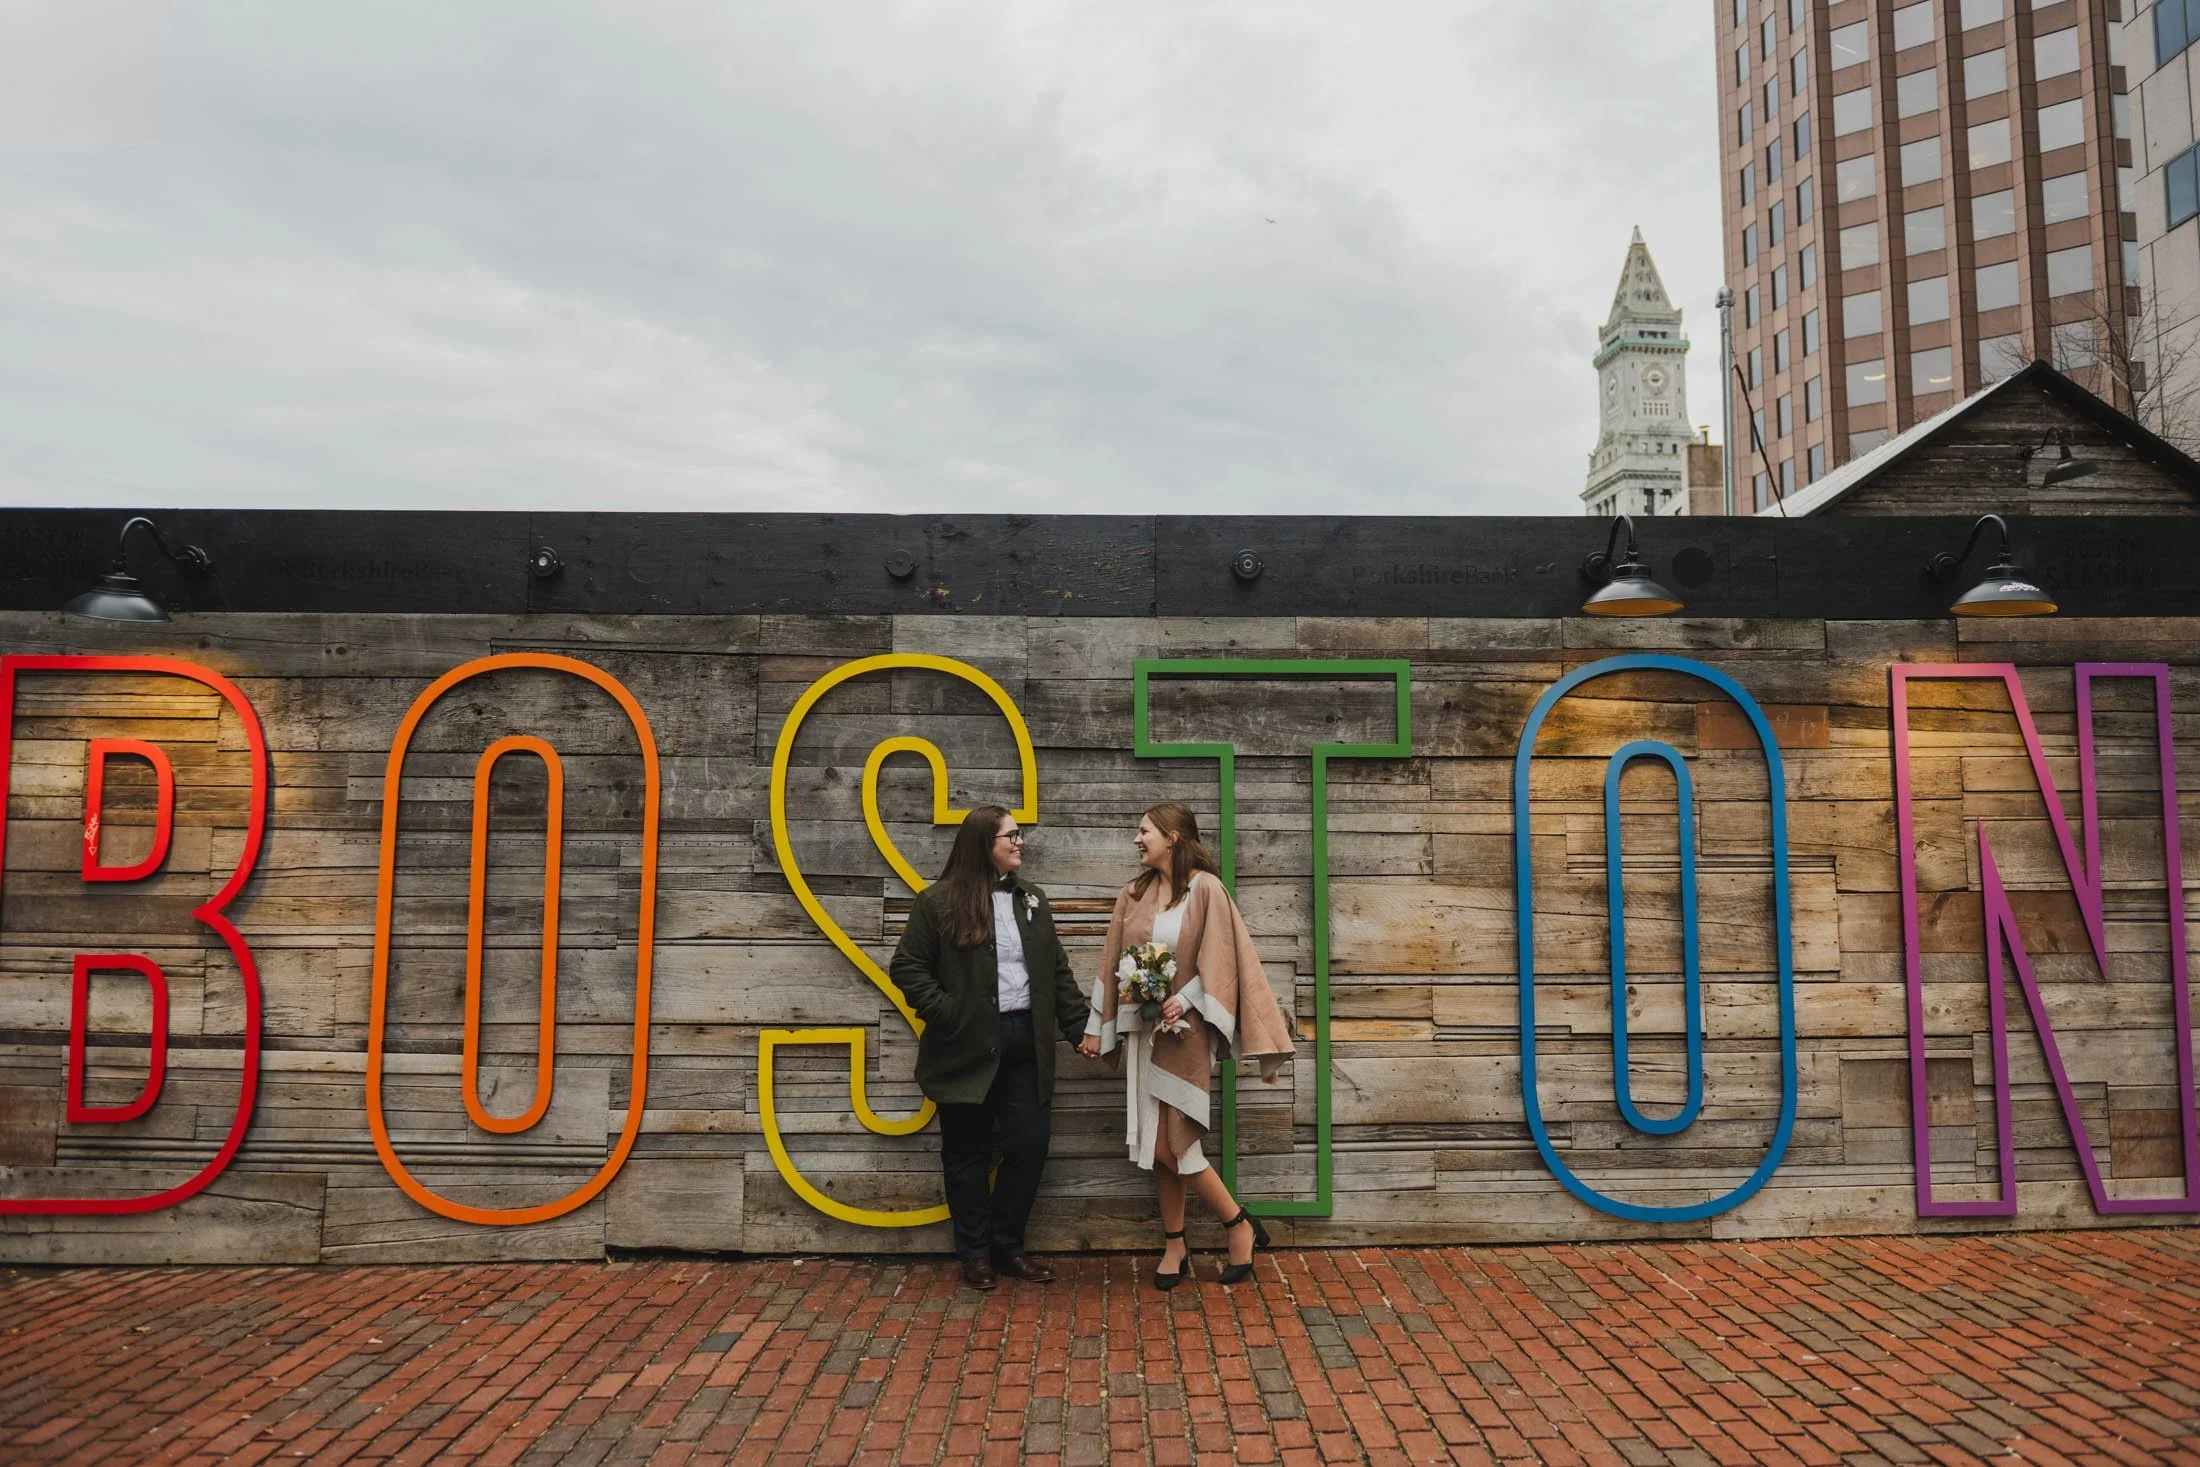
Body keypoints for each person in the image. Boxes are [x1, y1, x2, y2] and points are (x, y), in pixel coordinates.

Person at [1077, 803, 1293, 1288]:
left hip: (1186, 1034)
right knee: (1157, 1148)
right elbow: (1112, 958)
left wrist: (1187, 1000)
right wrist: (1097, 1026)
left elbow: (1222, 961)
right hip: (1142, 1033)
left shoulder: (1206, 889)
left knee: (1176, 1142)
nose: (1137, 839)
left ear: (1173, 837)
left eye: (1144, 830)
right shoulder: (1133, 894)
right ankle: (1175, 1242)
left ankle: (1238, 1225)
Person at [890, 805, 1088, 1291]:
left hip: (1027, 1044)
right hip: (965, 1048)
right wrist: (950, 1013)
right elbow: (907, 969)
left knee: (1028, 1144)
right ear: (985, 843)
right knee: (967, 1154)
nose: (1020, 843)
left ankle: (1007, 1248)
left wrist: (1080, 1027)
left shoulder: (1031, 900)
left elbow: (1057, 974)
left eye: (1019, 836)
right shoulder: (937, 902)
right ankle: (974, 1253)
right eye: (1011, 836)